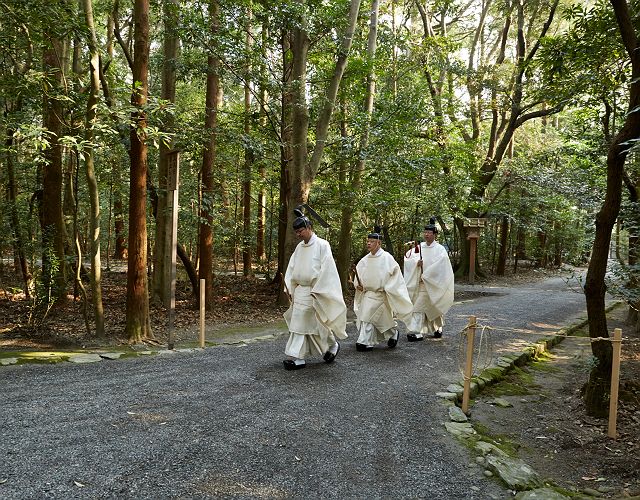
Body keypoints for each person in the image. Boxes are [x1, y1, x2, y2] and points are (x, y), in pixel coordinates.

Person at [282, 209, 347, 370]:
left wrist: (319, 289)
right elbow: (292, 268)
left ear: (309, 227)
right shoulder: (299, 248)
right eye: (296, 232)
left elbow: (328, 270)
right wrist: (290, 287)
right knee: (307, 323)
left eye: (300, 230)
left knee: (308, 321)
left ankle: (298, 356)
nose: (298, 234)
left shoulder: (322, 245)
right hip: (300, 290)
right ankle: (329, 346)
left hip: (315, 290)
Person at [353, 227, 413, 351]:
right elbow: (358, 277)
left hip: (381, 294)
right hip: (367, 294)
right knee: (379, 319)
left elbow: (396, 276)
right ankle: (392, 333)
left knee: (368, 315)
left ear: (379, 243)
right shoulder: (364, 260)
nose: (369, 243)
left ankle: (364, 341)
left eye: (372, 241)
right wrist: (358, 286)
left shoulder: (387, 258)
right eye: (368, 241)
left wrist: (388, 287)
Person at [403, 217, 454, 341]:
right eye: (425, 232)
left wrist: (426, 269)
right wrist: (416, 263)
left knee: (434, 306)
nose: (426, 235)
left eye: (429, 233)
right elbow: (408, 258)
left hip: (434, 283)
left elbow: (442, 266)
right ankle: (415, 331)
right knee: (418, 306)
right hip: (421, 284)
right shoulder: (419, 247)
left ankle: (437, 328)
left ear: (435, 234)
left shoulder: (440, 249)